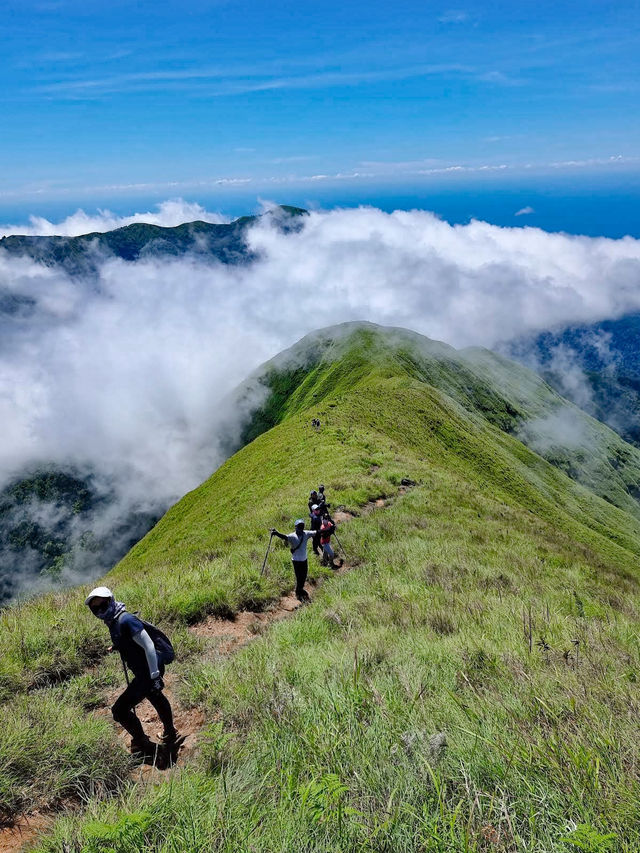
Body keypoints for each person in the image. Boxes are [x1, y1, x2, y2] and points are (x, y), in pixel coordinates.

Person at [85, 586, 179, 757]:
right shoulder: (114, 620)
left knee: (119, 711)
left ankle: (142, 743)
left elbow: (149, 646)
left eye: (103, 605)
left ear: (111, 601)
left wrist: (155, 675)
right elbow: (130, 640)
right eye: (95, 609)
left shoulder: (126, 620)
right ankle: (170, 732)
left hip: (149, 670)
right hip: (145, 670)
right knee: (154, 695)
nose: (99, 611)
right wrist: (117, 646)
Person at [270, 520, 315, 601]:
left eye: (302, 526)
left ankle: (299, 590)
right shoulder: (292, 536)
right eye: (299, 526)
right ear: (296, 527)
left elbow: (317, 532)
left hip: (304, 560)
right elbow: (284, 537)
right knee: (299, 577)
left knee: (304, 576)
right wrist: (276, 533)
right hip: (296, 561)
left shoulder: (306, 533)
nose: (301, 528)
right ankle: (298, 592)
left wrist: (327, 529)